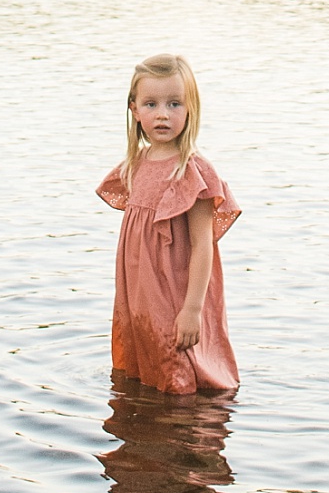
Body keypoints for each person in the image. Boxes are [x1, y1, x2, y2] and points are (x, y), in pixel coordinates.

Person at [96, 54, 240, 396]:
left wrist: (192, 310)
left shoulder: (192, 172)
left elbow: (203, 244)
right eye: (151, 104)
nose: (163, 114)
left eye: (174, 104)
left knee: (179, 362)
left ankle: (187, 429)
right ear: (134, 110)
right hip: (140, 291)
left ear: (190, 109)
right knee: (145, 361)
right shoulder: (134, 165)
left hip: (176, 290)